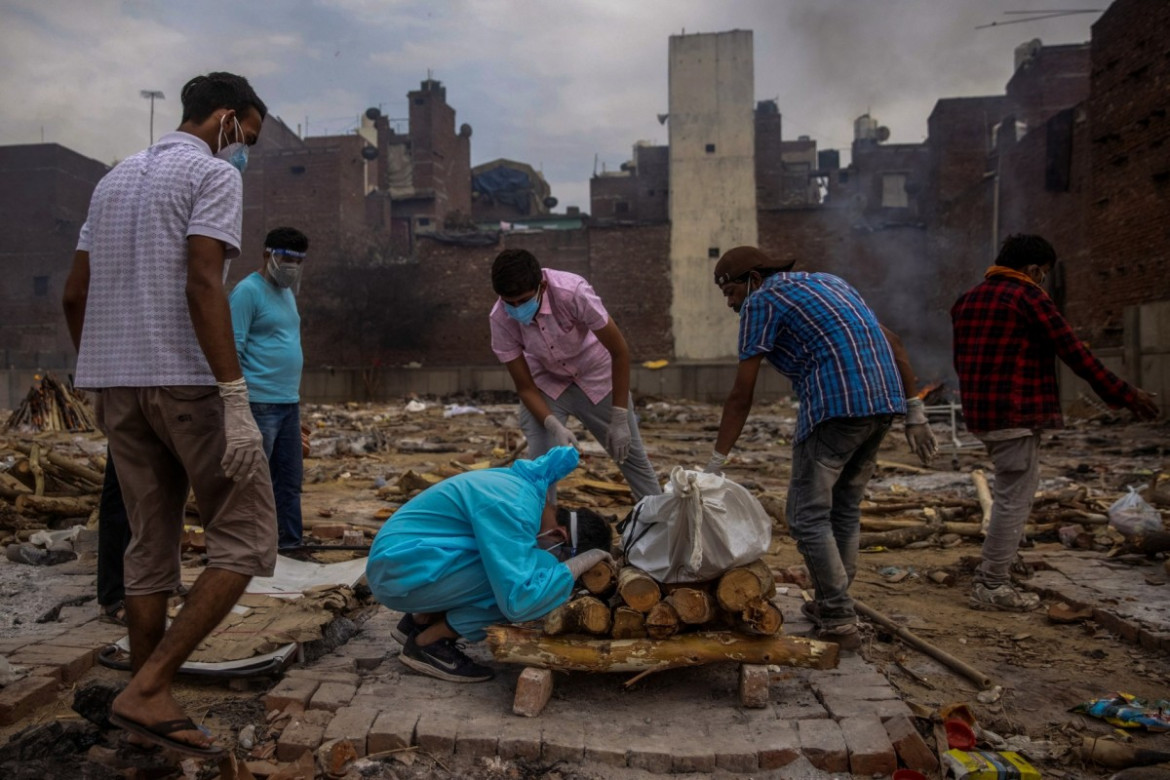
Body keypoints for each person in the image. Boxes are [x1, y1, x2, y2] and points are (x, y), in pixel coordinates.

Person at [62, 72, 273, 758]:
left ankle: (148, 703)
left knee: (149, 542)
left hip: (116, 386)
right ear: (226, 118)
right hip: (186, 383)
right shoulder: (213, 176)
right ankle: (151, 684)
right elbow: (203, 278)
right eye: (250, 135)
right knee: (244, 538)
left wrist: (94, 370)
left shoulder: (113, 180)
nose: (248, 151)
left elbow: (75, 294)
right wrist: (234, 395)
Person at [704, 246, 935, 651]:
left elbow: (742, 395)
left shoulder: (762, 301)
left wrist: (716, 462)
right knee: (844, 506)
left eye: (730, 292)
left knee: (805, 515)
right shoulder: (830, 282)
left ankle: (839, 618)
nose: (730, 302)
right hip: (883, 403)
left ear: (754, 280)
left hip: (836, 405)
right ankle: (834, 606)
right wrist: (915, 409)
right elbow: (893, 342)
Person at [952, 234, 1158, 611]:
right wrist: (1127, 394)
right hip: (1015, 414)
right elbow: (1075, 353)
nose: (1042, 280)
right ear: (1033, 270)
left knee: (1007, 493)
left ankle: (1000, 563)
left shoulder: (967, 299)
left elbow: (961, 361)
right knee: (1014, 498)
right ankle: (992, 584)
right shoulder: (1028, 296)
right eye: (1042, 273)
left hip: (983, 416)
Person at [365, 447, 613, 683]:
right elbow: (521, 601)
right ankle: (429, 644)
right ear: (559, 536)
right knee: (530, 580)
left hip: (402, 564)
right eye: (563, 556)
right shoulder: (516, 509)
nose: (559, 561)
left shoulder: (526, 496)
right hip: (397, 573)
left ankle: (422, 621)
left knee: (512, 567)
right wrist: (577, 564)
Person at [489, 249, 662, 519]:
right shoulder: (500, 318)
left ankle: (664, 527)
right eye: (509, 302)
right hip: (546, 383)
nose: (516, 309)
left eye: (523, 301)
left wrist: (619, 417)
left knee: (630, 455)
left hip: (596, 376)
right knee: (541, 464)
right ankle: (547, 535)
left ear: (541, 286)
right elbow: (524, 387)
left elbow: (620, 351)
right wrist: (552, 424)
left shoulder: (573, 292)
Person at [230, 227, 309, 550]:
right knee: (252, 483)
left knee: (289, 481)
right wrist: (233, 404)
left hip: (288, 402)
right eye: (286, 258)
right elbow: (231, 347)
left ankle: (289, 545)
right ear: (268, 254)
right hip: (258, 402)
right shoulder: (247, 292)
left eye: (298, 261)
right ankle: (247, 549)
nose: (292, 266)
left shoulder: (288, 293)